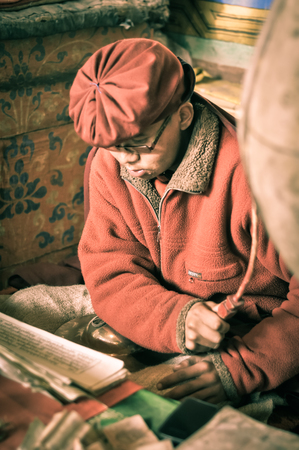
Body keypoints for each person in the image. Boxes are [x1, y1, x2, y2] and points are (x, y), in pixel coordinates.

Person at [69, 38, 299, 406]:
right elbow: (110, 271)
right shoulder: (110, 163)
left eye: (140, 144)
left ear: (184, 116)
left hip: (260, 338)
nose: (126, 161)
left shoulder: (254, 175)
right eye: (114, 147)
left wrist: (242, 368)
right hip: (172, 320)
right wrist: (178, 318)